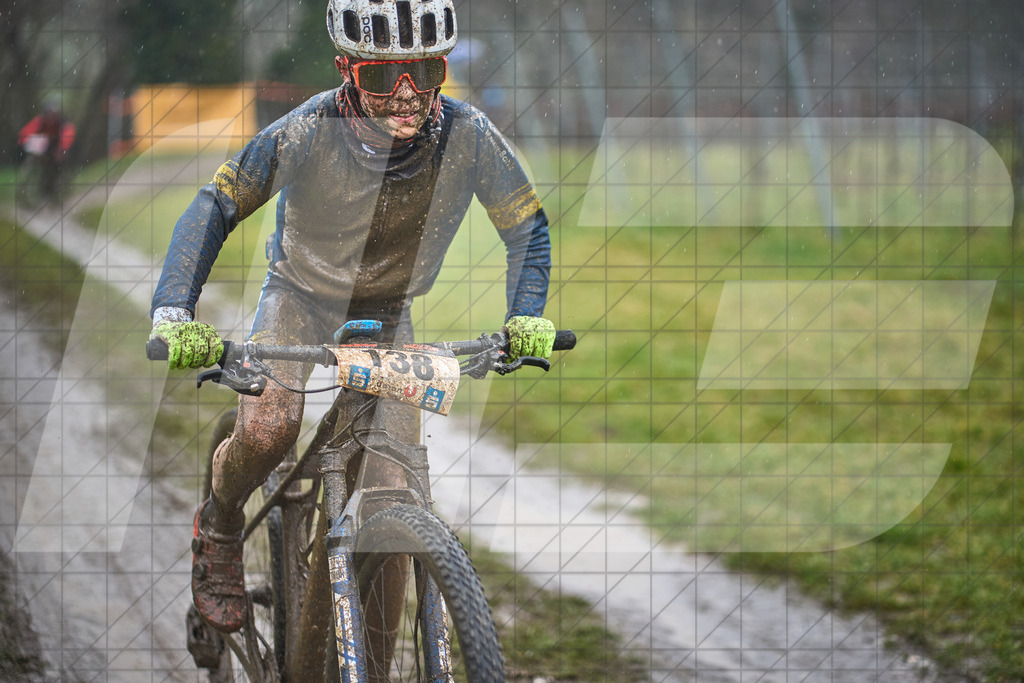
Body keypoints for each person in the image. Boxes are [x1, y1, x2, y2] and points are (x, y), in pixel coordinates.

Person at [149, 0, 555, 636]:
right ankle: (222, 521)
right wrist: (174, 310)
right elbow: (215, 207)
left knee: (394, 491)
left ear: (442, 69)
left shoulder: (468, 135)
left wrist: (526, 314)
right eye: (379, 77)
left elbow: (527, 229)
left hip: (390, 316)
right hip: (299, 299)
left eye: (423, 72)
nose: (405, 95)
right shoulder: (307, 130)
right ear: (345, 69)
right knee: (268, 429)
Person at [18, 99, 76, 201]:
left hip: (56, 150)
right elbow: (26, 131)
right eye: (49, 113)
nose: (51, 116)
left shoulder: (63, 124)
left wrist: (61, 148)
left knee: (57, 165)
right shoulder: (40, 121)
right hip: (41, 150)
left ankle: (55, 188)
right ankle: (38, 188)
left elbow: (68, 135)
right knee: (36, 162)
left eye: (53, 113)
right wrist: (24, 140)